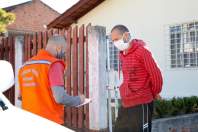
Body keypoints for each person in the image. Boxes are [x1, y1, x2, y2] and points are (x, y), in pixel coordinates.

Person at [18, 35, 85, 125]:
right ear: (58, 48)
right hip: (49, 121)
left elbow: (20, 96)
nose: (64, 55)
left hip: (28, 120)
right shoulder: (54, 64)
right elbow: (60, 98)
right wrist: (79, 100)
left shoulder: (25, 66)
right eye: (64, 52)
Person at [111, 25, 163, 132]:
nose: (115, 43)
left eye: (116, 39)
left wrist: (153, 93)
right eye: (113, 41)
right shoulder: (123, 54)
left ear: (126, 35)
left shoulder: (142, 51)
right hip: (126, 102)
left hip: (141, 102)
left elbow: (156, 74)